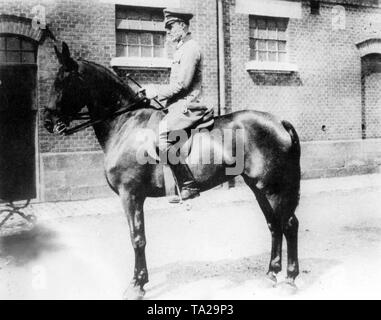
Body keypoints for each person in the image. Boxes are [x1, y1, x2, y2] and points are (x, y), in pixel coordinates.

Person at [142, 8, 209, 202]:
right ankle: (172, 187)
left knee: (163, 134)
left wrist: (156, 91)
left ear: (182, 25)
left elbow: (182, 85)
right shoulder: (181, 48)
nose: (168, 31)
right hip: (177, 104)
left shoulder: (190, 48)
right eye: (167, 27)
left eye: (171, 26)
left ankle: (188, 184)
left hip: (189, 105)